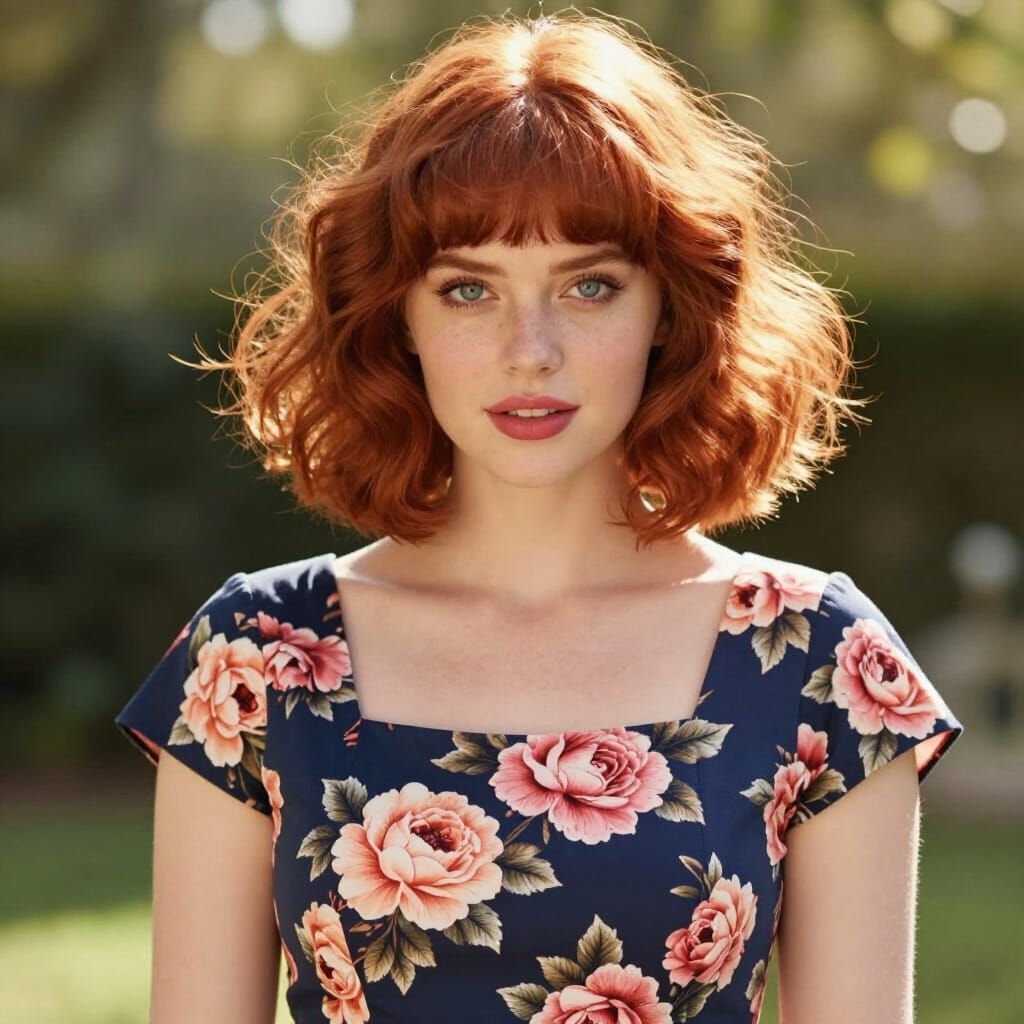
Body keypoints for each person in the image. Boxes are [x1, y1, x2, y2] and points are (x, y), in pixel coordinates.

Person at [115, 10, 964, 1024]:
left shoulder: (820, 665)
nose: (532, 349)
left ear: (671, 308)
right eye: (469, 288)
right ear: (398, 316)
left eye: (590, 285)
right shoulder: (255, 661)